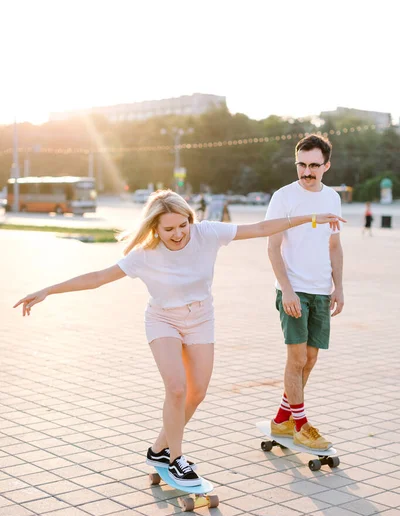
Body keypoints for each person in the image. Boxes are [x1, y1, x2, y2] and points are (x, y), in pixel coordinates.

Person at [14, 189, 344, 485]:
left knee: (196, 392)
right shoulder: (145, 254)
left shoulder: (208, 233)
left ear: (190, 219)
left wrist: (311, 217)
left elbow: (259, 228)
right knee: (176, 388)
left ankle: (159, 449)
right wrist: (48, 290)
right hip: (163, 320)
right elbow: (99, 277)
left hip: (201, 319)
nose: (177, 234)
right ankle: (176, 459)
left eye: (182, 225)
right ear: (155, 229)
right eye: (168, 229)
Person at [266, 134, 344, 451]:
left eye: (314, 165)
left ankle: (283, 418)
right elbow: (272, 248)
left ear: (326, 165)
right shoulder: (283, 197)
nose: (307, 172)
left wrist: (339, 286)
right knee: (296, 358)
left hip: (321, 291)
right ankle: (300, 425)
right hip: (294, 290)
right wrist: (286, 290)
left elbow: (335, 245)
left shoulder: (333, 199)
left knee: (310, 359)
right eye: (301, 164)